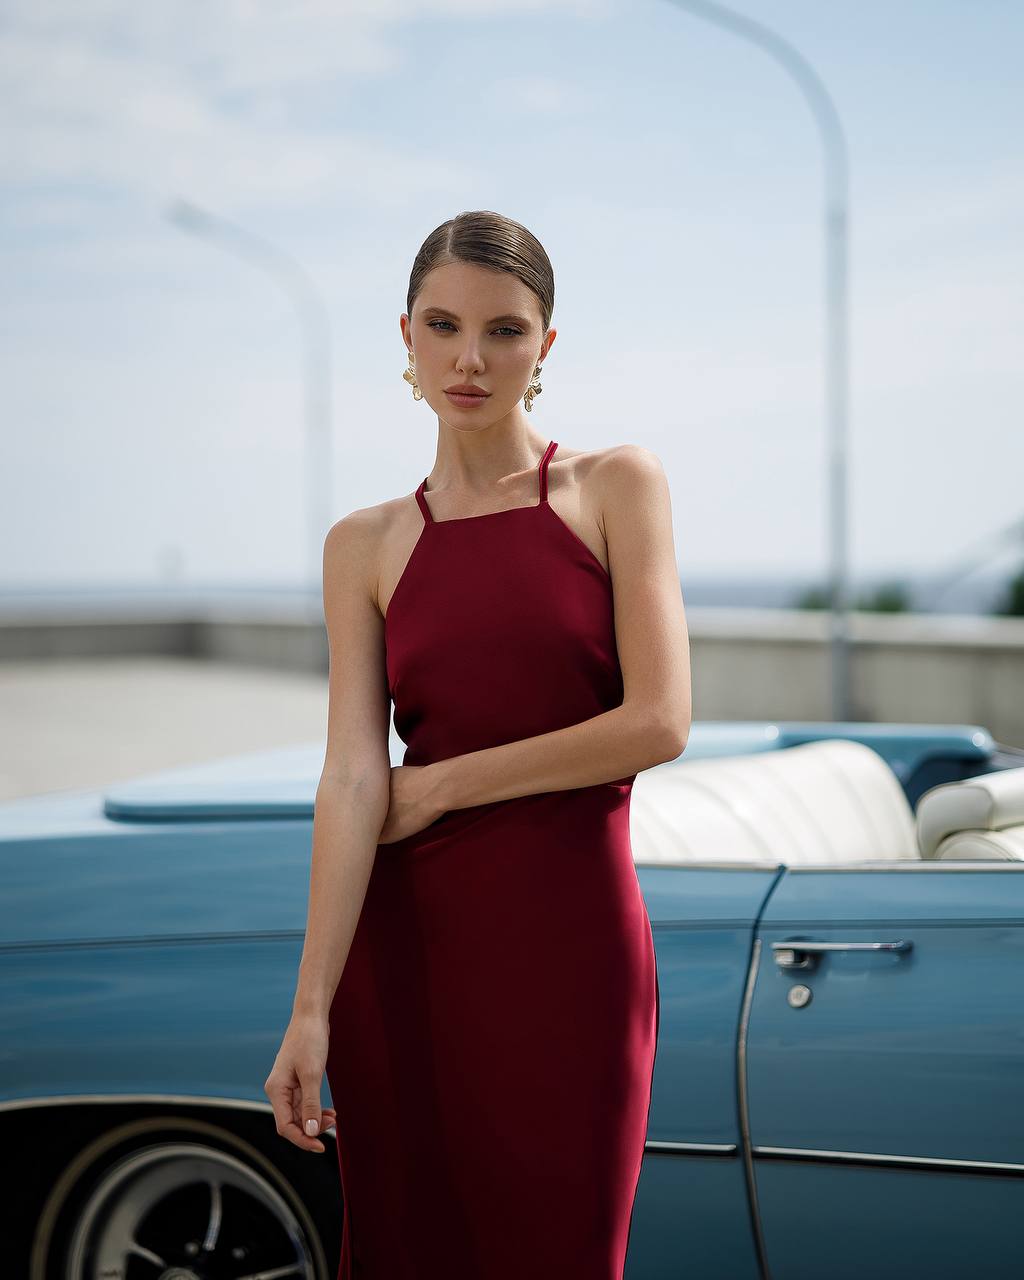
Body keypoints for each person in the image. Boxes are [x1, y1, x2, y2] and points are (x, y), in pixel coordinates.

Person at [264, 209, 692, 1278]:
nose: (469, 357)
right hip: (405, 955)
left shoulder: (613, 486)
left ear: (544, 347)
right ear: (404, 335)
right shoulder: (361, 544)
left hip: (572, 951)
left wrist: (444, 783)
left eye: (503, 330)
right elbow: (354, 774)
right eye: (444, 325)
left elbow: (658, 721)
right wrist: (308, 1010)